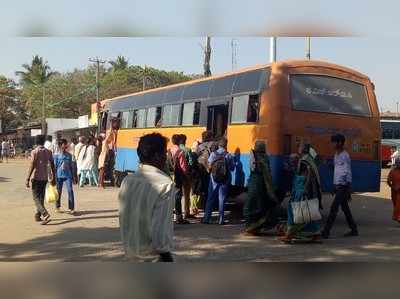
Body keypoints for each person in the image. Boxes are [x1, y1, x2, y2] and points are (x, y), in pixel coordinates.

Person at [119, 133, 175, 262]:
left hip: (130, 256)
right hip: (153, 260)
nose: (165, 157)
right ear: (157, 156)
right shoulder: (164, 184)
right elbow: (160, 234)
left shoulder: (127, 181)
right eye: (164, 153)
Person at [280, 144, 322, 243]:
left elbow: (308, 174)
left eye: (300, 147)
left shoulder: (304, 160)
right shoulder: (308, 159)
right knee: (307, 211)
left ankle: (289, 235)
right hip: (302, 188)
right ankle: (315, 234)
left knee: (293, 209)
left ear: (303, 149)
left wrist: (305, 188)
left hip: (302, 188)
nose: (298, 148)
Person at [322, 134, 358, 239]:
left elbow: (347, 172)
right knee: (345, 208)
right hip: (339, 185)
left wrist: (347, 187)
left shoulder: (344, 155)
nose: (332, 144)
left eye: (334, 142)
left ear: (340, 143)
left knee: (334, 208)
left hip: (343, 186)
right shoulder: (336, 155)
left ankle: (326, 232)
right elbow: (337, 170)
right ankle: (354, 229)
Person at [243, 141, 278, 235]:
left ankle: (251, 227)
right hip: (264, 184)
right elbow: (268, 173)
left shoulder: (254, 157)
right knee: (261, 204)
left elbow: (252, 168)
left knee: (250, 206)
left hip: (255, 183)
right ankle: (257, 227)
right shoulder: (265, 158)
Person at [202, 137, 235, 225]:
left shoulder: (213, 154)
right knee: (222, 199)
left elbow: (209, 166)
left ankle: (206, 218)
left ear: (219, 144)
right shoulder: (229, 155)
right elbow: (232, 168)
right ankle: (221, 220)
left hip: (214, 178)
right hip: (225, 179)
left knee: (210, 198)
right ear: (226, 145)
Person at [25, 135, 56, 225]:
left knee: (35, 197)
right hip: (45, 178)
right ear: (43, 142)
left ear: (36, 142)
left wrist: (27, 178)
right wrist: (53, 177)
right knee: (41, 197)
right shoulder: (48, 152)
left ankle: (44, 213)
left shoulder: (35, 152)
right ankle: (38, 215)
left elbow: (32, 165)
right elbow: (53, 165)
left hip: (37, 177)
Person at [169, 134, 190, 224]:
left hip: (169, 175)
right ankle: (179, 217)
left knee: (170, 195)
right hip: (177, 176)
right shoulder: (180, 152)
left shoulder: (169, 150)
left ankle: (170, 216)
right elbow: (183, 167)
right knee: (178, 196)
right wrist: (186, 176)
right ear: (179, 141)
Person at [54, 139, 78, 215]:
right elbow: (54, 167)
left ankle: (71, 208)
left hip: (68, 175)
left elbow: (72, 166)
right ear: (60, 145)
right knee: (58, 192)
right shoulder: (56, 156)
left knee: (70, 190)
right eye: (64, 144)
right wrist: (53, 178)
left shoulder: (69, 155)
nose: (66, 146)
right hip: (59, 175)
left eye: (66, 144)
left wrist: (74, 177)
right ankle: (57, 207)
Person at [178, 134, 193, 218]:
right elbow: (191, 163)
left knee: (177, 194)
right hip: (185, 174)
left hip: (176, 174)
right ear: (185, 141)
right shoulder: (187, 150)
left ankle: (177, 211)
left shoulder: (173, 149)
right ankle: (186, 212)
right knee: (186, 194)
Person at [387, 157, 400, 223]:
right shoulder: (393, 171)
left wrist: (392, 186)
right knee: (396, 205)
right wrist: (392, 186)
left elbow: (388, 181)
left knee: (397, 205)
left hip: (395, 190)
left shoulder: (392, 171)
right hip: (395, 190)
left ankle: (397, 217)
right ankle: (397, 217)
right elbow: (388, 181)